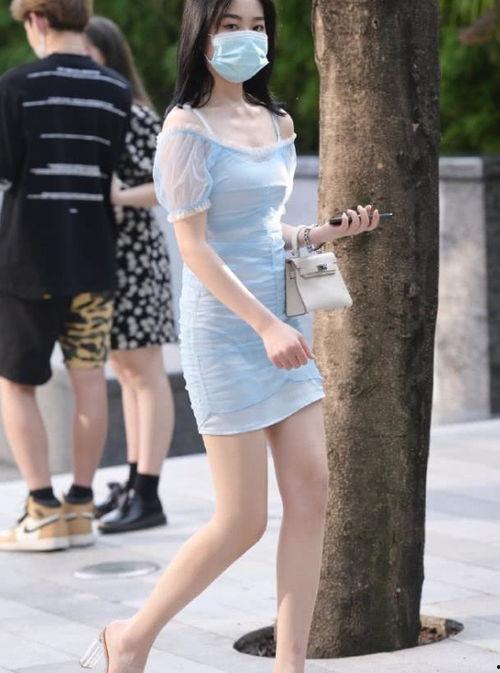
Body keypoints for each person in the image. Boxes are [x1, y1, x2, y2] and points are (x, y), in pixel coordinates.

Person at [79, 0, 379, 670]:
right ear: (203, 35)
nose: (248, 36)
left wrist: (322, 234)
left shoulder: (276, 121)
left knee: (312, 492)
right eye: (230, 25)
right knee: (242, 519)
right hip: (227, 330)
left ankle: (290, 663)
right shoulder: (185, 128)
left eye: (257, 24)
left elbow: (264, 228)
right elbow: (196, 247)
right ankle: (130, 637)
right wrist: (264, 324)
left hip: (283, 326)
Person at [0, 0, 131, 552]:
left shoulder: (16, 85)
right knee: (89, 379)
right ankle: (80, 506)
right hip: (94, 259)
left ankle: (42, 509)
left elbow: (6, 172)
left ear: (35, 20)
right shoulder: (116, 90)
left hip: (28, 261)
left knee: (16, 383)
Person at [84, 16, 177, 534]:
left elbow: (167, 185)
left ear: (108, 56)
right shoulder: (100, 110)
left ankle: (149, 491)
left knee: (144, 373)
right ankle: (134, 481)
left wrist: (118, 195)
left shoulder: (136, 114)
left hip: (136, 258)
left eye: (88, 54)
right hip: (107, 257)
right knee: (126, 373)